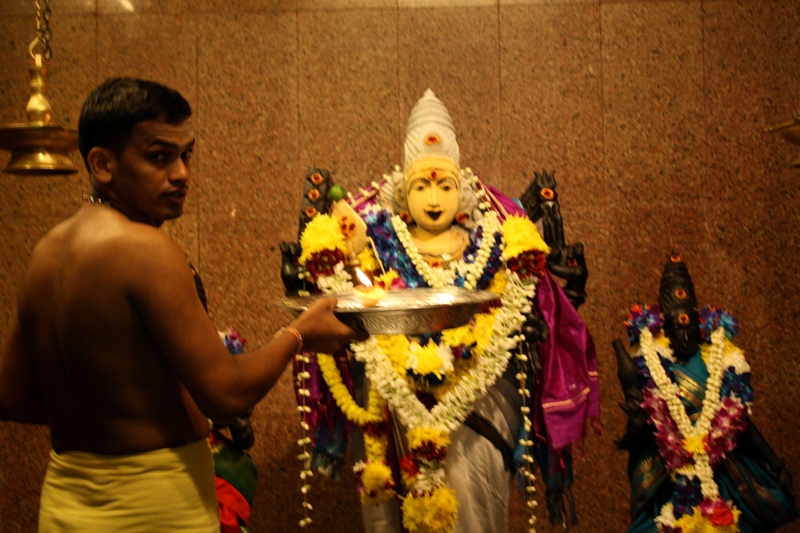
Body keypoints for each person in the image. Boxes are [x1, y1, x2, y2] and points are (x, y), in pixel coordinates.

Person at [0, 77, 366, 532]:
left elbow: (12, 396)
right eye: (159, 157)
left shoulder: (45, 251)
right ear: (102, 164)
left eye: (185, 154)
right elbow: (226, 396)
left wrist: (111, 408)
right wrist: (300, 333)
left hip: (65, 503)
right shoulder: (144, 247)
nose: (181, 174)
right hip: (154, 506)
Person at [286, 89, 599, 533]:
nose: (434, 198)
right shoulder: (376, 243)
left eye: (444, 185)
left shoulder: (492, 242)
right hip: (391, 409)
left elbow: (530, 308)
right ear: (402, 191)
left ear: (463, 191)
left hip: (479, 401)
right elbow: (351, 302)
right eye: (421, 185)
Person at [614, 254, 797, 533]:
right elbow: (642, 431)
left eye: (690, 327)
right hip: (672, 475)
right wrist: (635, 425)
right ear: (664, 326)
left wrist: (775, 461)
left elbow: (740, 423)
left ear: (701, 325)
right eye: (678, 327)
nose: (685, 336)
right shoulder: (652, 362)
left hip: (722, 469)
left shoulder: (718, 359)